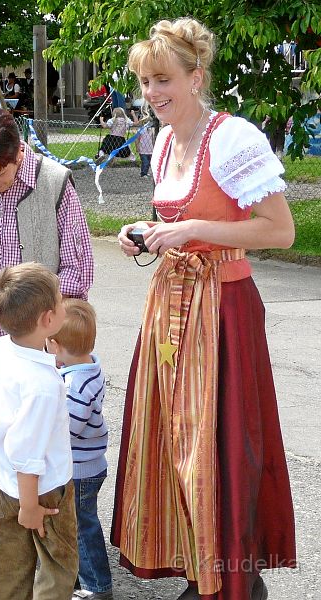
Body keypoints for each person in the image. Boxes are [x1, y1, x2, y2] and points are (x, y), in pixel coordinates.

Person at [112, 18, 296, 600]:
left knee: (218, 445)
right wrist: (148, 230)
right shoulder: (166, 139)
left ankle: (235, 577)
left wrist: (189, 227)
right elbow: (178, 224)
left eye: (162, 79)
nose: (151, 92)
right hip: (171, 302)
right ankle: (199, 565)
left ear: (196, 77)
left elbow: (280, 232)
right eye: (144, 81)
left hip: (222, 307)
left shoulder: (233, 137)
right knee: (173, 442)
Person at [0, 107, 93, 547]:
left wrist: (29, 317)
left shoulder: (54, 183)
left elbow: (78, 269)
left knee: (32, 435)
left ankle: (41, 527)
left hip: (33, 343)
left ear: (16, 152)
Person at [0, 262, 78, 599]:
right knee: (57, 568)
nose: (65, 305)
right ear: (47, 320)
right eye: (61, 301)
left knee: (9, 571)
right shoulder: (43, 385)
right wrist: (30, 506)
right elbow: (28, 452)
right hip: (42, 489)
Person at [48, 300, 113, 600]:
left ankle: (96, 587)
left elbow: (68, 431)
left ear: (57, 346)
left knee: (81, 528)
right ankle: (78, 576)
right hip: (89, 463)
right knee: (79, 523)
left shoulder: (75, 386)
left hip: (79, 469)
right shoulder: (88, 368)